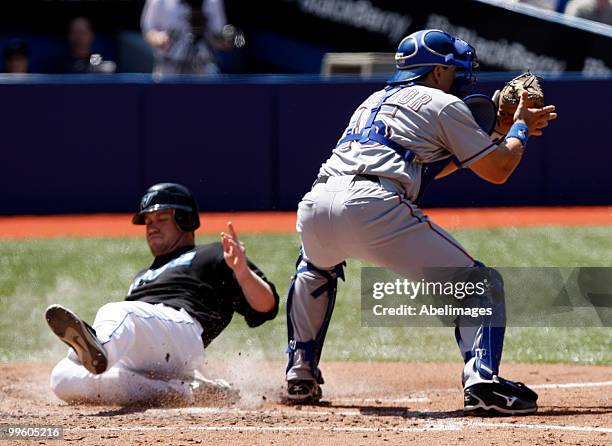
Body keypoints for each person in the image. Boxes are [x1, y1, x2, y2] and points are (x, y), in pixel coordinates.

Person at [283, 29, 557, 415]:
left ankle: (301, 373)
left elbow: (427, 168)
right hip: (372, 204)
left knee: (314, 268)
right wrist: (519, 128)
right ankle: (481, 379)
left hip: (317, 202)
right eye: (456, 69)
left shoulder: (372, 100)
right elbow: (498, 170)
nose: (461, 76)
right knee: (479, 285)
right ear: (438, 71)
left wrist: (494, 130)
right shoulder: (443, 103)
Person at [46, 182, 279, 405]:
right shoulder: (141, 276)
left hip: (182, 330)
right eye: (147, 221)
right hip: (144, 343)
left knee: (116, 312)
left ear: (185, 220)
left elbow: (266, 307)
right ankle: (188, 391)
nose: (152, 226)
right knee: (62, 378)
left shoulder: (214, 254)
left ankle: (102, 349)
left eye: (161, 218)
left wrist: (242, 272)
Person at [141, 0, 231, 75]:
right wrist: (160, 38)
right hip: (169, 69)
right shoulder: (160, 1)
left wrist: (225, 40)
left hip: (203, 68)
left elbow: (219, 36)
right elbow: (148, 31)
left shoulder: (213, 2)